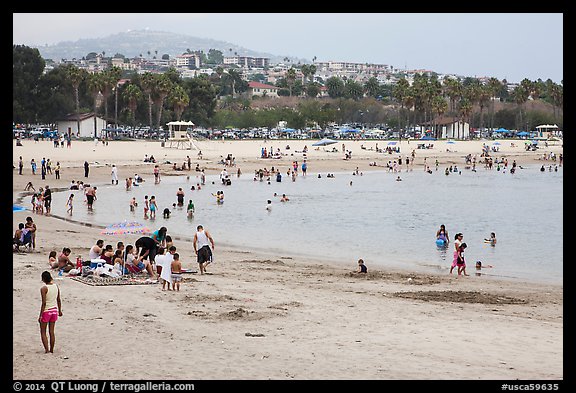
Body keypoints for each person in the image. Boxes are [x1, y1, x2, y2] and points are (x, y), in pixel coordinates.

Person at [39, 271, 62, 353]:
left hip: (46, 311)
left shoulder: (44, 288)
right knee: (51, 331)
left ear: (43, 279)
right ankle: (52, 349)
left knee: (43, 331)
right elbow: (58, 300)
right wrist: (60, 310)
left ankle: (47, 350)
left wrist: (40, 315)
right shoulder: (56, 286)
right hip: (54, 310)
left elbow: (44, 303)